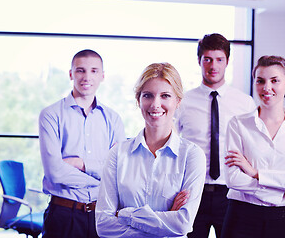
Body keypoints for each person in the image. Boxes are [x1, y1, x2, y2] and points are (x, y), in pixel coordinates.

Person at [95, 62, 206, 237]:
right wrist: (164, 222)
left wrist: (124, 214)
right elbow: (103, 225)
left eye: (165, 96)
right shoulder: (118, 153)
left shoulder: (192, 156)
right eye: (148, 95)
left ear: (178, 101)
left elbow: (183, 224)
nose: (155, 104)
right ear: (138, 100)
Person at [175, 33, 256, 238]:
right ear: (200, 61)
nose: (213, 66)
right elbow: (172, 145)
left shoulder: (245, 103)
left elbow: (254, 146)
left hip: (232, 193)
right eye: (208, 59)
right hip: (193, 191)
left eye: (219, 59)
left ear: (227, 61)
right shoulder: (182, 102)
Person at [38, 49, 126, 238]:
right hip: (63, 214)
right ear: (71, 74)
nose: (87, 77)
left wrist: (81, 164)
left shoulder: (113, 119)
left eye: (94, 71)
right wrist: (102, 177)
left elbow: (119, 173)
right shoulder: (51, 115)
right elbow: (55, 173)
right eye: (80, 70)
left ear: (102, 76)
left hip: (102, 216)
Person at [222, 55, 285, 238]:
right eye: (260, 81)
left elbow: (244, 178)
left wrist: (255, 173)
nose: (267, 88)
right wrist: (277, 191)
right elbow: (233, 179)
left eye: (275, 81)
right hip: (242, 215)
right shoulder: (238, 124)